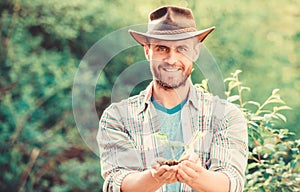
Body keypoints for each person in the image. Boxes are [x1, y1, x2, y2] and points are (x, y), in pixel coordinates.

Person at [97, 5, 248, 192]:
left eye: (182, 49)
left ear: (195, 52)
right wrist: (153, 178)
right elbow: (117, 183)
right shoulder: (117, 117)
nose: (171, 59)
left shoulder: (226, 115)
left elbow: (231, 183)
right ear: (147, 51)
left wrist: (197, 176)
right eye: (161, 49)